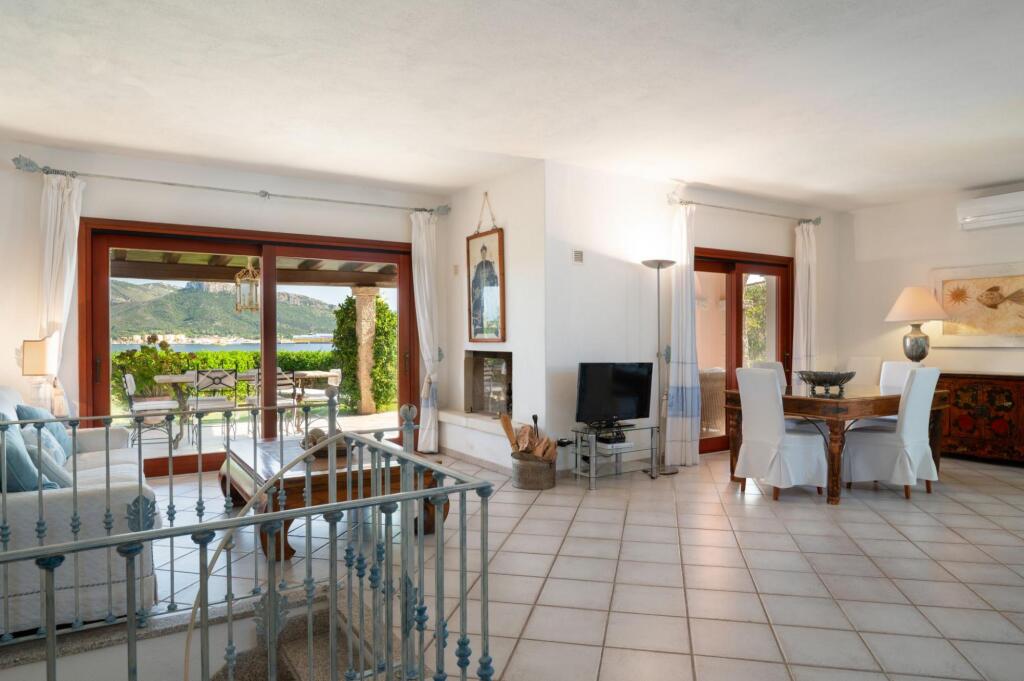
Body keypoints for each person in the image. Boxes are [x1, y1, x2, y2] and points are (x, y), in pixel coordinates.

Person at [471, 243, 499, 336]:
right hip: (480, 291)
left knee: (489, 308)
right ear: (481, 253)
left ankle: (491, 327)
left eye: (484, 252)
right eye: (482, 253)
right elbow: (475, 279)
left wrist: (489, 282)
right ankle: (479, 326)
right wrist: (477, 288)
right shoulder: (478, 266)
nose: (483, 254)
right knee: (480, 307)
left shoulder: (489, 264)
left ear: (486, 253)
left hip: (488, 290)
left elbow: (494, 276)